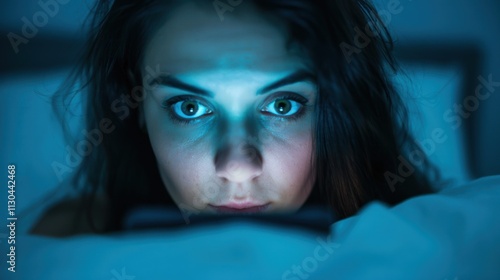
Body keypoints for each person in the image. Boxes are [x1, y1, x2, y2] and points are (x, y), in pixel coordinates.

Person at [31, 0, 436, 236]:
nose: (238, 167)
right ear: (136, 106)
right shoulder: (62, 244)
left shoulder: (433, 238)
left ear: (335, 107)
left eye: (283, 106)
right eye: (189, 108)